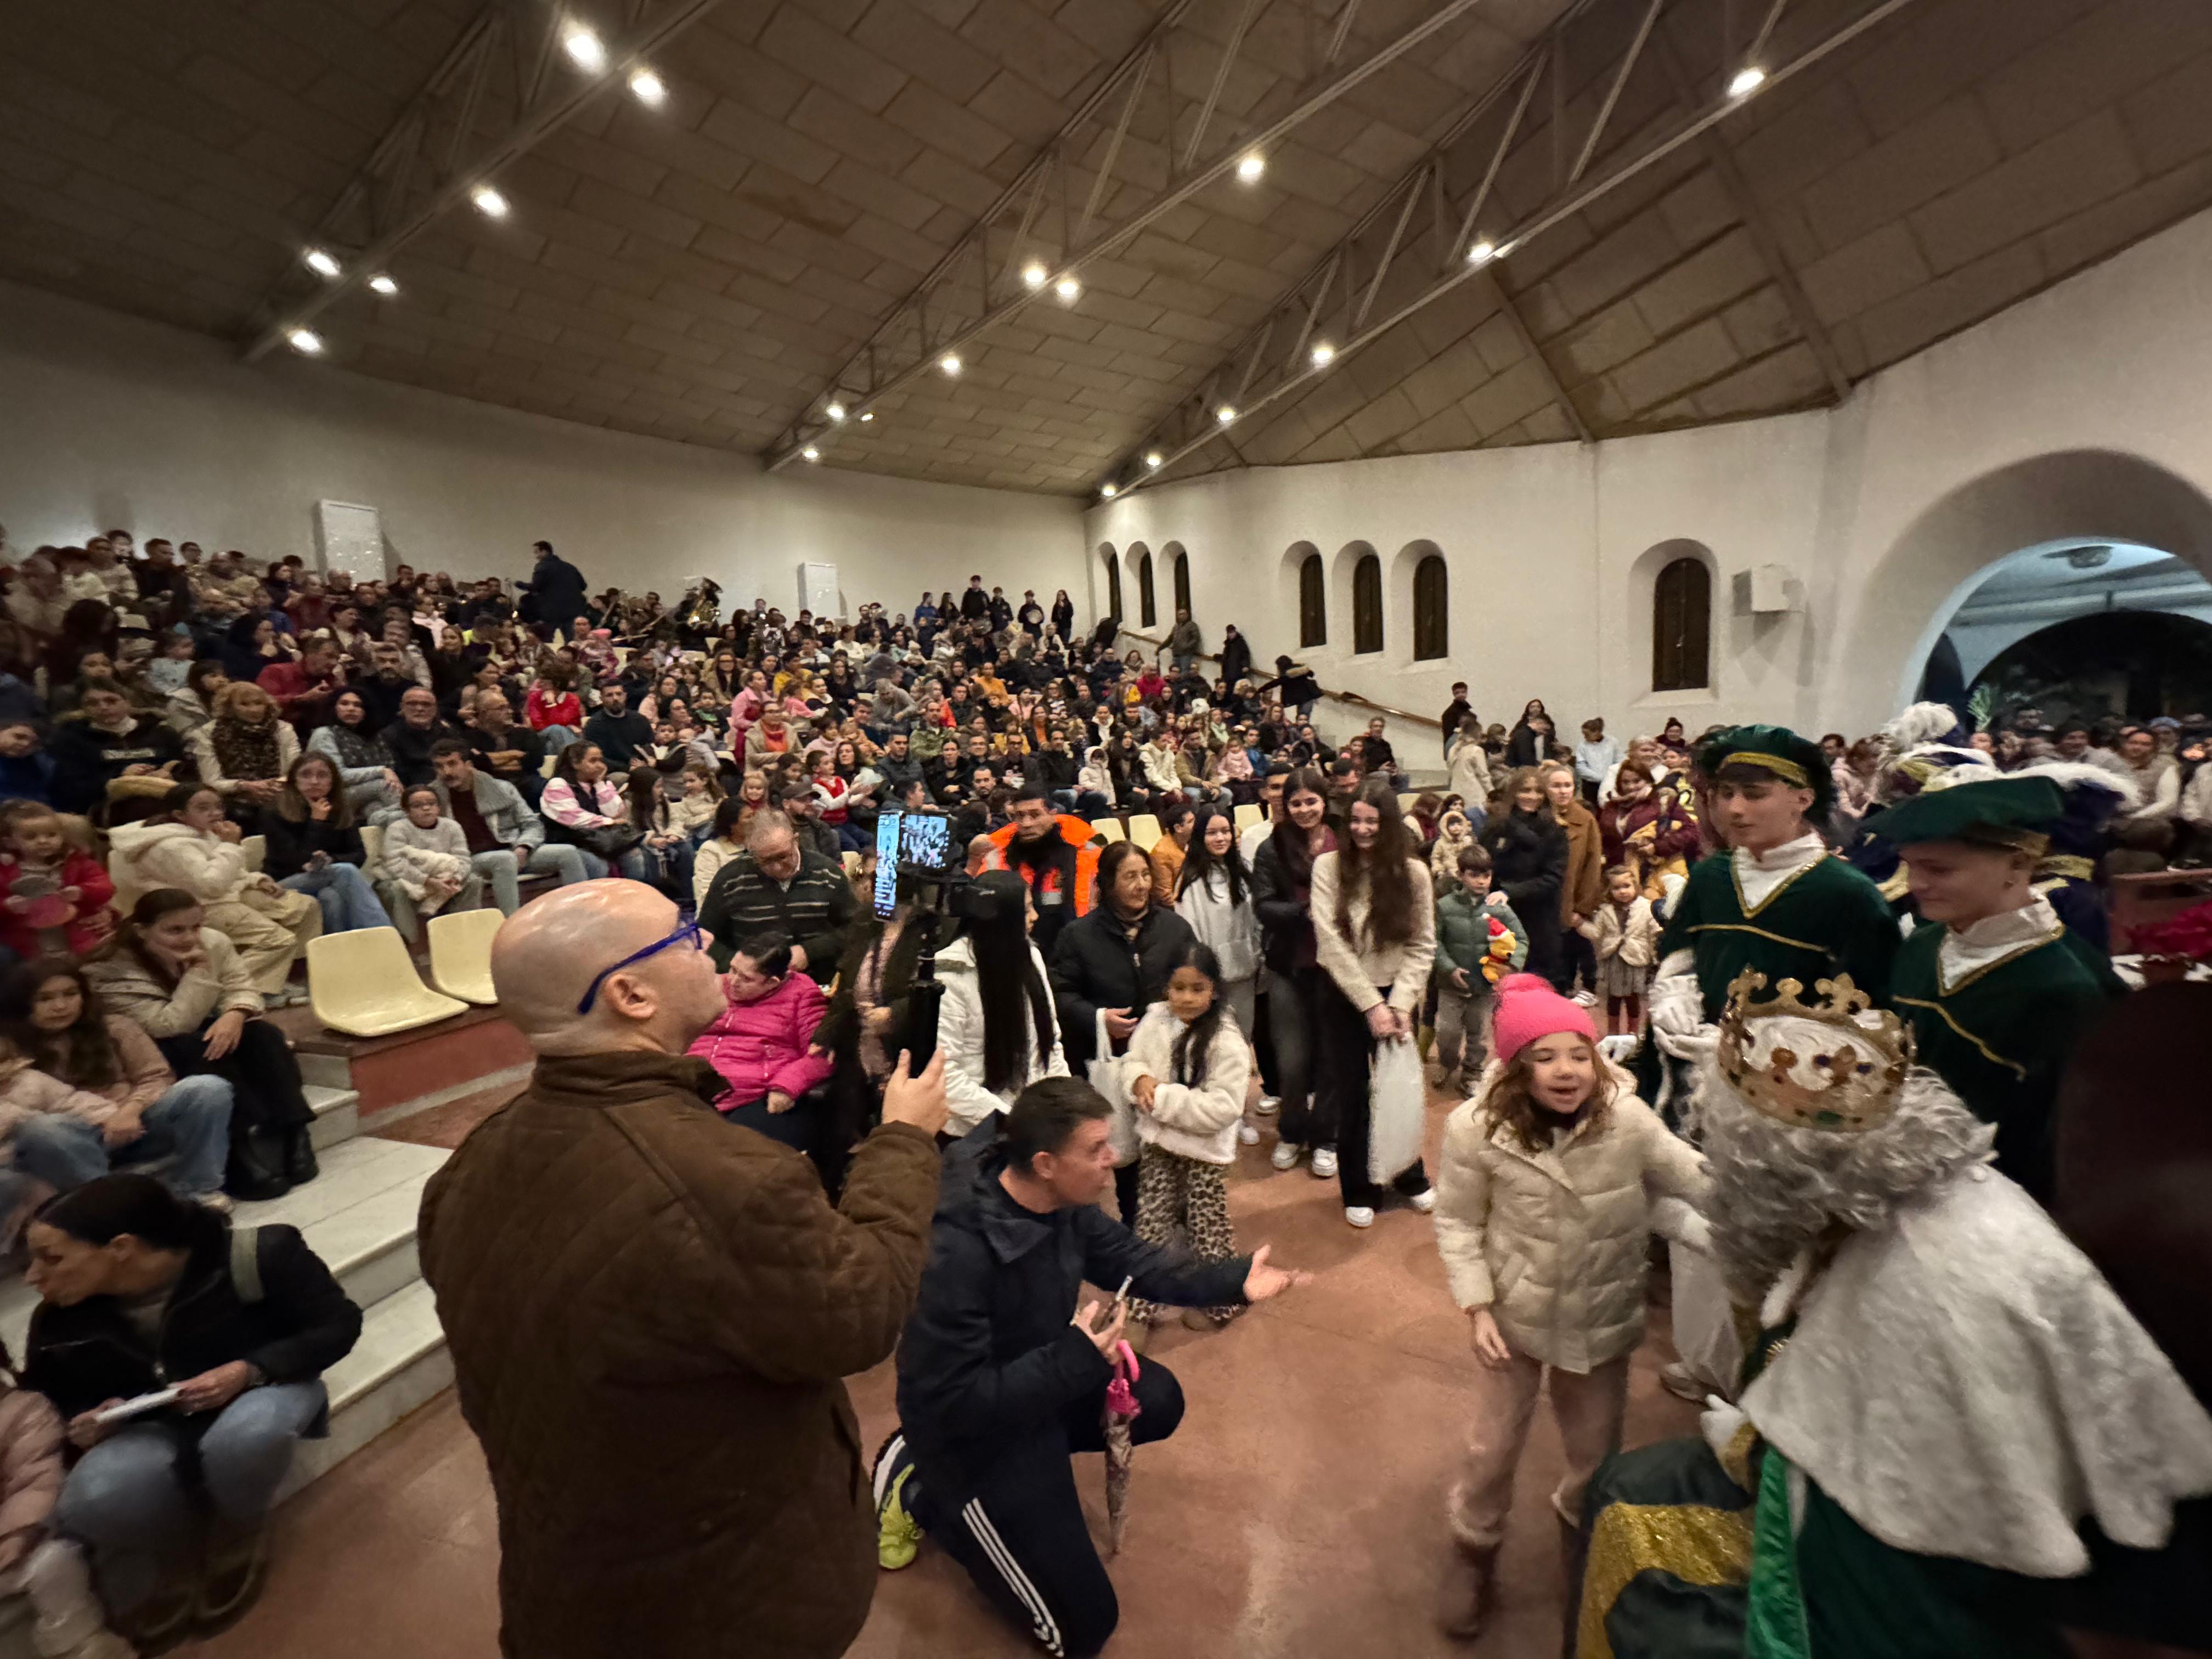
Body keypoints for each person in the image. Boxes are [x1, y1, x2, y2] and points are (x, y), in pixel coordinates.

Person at [1575, 972, 2212, 1659]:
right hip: (1863, 1501)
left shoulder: (1937, 1281)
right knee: (1623, 1489)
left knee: (1631, 1541)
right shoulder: (1881, 1205)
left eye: (1731, 1162)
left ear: (1776, 1169)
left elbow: (1885, 1497)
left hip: (1913, 1585)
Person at [419, 881, 948, 1659]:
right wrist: (903, 1142)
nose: (712, 947)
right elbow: (861, 1312)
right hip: (725, 1602)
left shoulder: (466, 1167)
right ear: (630, 994)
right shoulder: (729, 1179)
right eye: (684, 934)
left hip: (566, 1578)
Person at [870, 1077, 1307, 1659]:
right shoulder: (956, 1254)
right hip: (968, 1434)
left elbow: (1139, 1263)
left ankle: (1001, 1481)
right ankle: (924, 1485)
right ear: (1047, 1162)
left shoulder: (1064, 1204)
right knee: (1080, 1630)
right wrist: (1074, 1358)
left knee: (1158, 1399)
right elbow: (959, 1401)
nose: (1114, 1159)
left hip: (1038, 1387)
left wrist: (1231, 1282)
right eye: (1098, 1148)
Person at [1430, 975, 1709, 1637]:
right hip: (1516, 1318)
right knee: (1492, 1446)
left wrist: (1766, 1204)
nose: (1566, 1071)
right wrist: (1478, 1306)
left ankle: (1585, 1549)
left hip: (1600, 1318)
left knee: (1596, 1453)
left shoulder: (1629, 1122)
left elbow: (1693, 1177)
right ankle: (1474, 1547)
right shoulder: (1477, 1130)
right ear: (1515, 1066)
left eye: (1579, 1055)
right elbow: (1459, 1224)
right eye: (1546, 1057)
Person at [22, 1175, 362, 1646]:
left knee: (246, 1438)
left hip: (265, 1388)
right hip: (153, 1424)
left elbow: (338, 1325)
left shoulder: (258, 1254)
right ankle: (173, 1553)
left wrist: (249, 1370)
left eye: (51, 1257)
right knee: (93, 1498)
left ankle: (239, 1532)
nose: (32, 1276)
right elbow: (52, 1393)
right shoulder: (61, 1313)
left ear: (121, 1247)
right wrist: (90, 1416)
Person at [1864, 773, 2125, 1205]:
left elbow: (2061, 1152)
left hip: (1988, 1208)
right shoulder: (1926, 944)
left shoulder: (2065, 990)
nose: (1914, 885)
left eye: (1939, 869)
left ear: (2018, 865)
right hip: (1899, 1182)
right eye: (1910, 866)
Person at [86, 891, 317, 1200]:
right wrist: (199, 973)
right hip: (153, 1047)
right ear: (142, 931)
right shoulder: (108, 967)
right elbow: (165, 1025)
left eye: (195, 927)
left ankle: (294, 1132)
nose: (190, 937)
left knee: (263, 1035)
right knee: (192, 1047)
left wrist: (236, 1013)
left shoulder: (214, 942)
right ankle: (236, 1149)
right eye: (174, 930)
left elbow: (241, 987)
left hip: (206, 1025)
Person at [0, 961, 233, 1210]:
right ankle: (115, 1208)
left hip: (135, 1124)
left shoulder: (116, 1027)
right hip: (66, 1143)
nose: (60, 1006)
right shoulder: (8, 1046)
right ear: (23, 1003)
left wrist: (130, 1110)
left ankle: (198, 1189)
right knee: (43, 1127)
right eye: (45, 999)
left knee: (207, 1088)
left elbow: (156, 1077)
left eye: (71, 994)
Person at [1310, 780, 1436, 1228]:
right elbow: (1329, 942)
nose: (1363, 830)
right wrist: (1370, 1005)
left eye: (1373, 822)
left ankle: (1407, 1172)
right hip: (1345, 997)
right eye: (1357, 821)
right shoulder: (1328, 867)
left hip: (1397, 996)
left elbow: (1423, 945)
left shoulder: (1414, 873)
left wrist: (1401, 1003)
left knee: (1399, 1090)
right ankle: (1359, 1186)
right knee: (1354, 1095)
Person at [1047, 841, 1195, 1224]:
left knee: (1175, 1144)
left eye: (1146, 875)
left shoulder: (1174, 928)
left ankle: (1177, 1221)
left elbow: (1199, 981)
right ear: (1108, 883)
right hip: (1112, 1061)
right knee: (1129, 1152)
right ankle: (1139, 1227)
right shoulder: (1077, 936)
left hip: (1169, 1057)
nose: (1141, 885)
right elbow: (1060, 993)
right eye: (1130, 876)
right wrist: (1098, 1018)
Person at [1119, 941, 1249, 1335]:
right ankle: (1138, 1311)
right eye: (1179, 988)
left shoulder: (1227, 1041)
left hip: (1204, 1155)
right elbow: (1133, 1060)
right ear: (1165, 988)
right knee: (1151, 1227)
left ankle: (1222, 1301)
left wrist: (1160, 1098)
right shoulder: (1154, 1021)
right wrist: (1138, 1079)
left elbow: (1224, 1108)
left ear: (1215, 990)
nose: (1187, 998)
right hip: (1158, 1147)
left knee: (1208, 1231)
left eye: (1198, 989)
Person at [107, 785, 321, 1002]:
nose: (216, 813)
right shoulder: (169, 846)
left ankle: (286, 977)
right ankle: (231, 992)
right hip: (193, 908)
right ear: (179, 815)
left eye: (218, 806)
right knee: (279, 940)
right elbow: (212, 884)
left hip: (221, 896)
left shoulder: (202, 833)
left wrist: (256, 880)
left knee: (305, 907)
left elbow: (229, 871)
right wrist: (231, 845)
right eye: (204, 808)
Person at [938, 870, 1069, 1139]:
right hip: (972, 1133)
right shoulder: (950, 974)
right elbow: (947, 1076)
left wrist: (1064, 1105)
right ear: (1003, 920)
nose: (1035, 917)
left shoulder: (1031, 955)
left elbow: (1050, 1044)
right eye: (1026, 910)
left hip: (1031, 1121)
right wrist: (1013, 1120)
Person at [1251, 766, 1335, 1178]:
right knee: (1292, 1060)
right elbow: (1263, 906)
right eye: (1296, 803)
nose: (1303, 809)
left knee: (1331, 1058)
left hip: (1336, 969)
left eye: (1311, 801)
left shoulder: (1343, 841)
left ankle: (1326, 1138)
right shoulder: (1272, 849)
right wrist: (1306, 913)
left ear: (1324, 801)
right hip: (1288, 964)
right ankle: (1292, 1131)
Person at [685, 930, 834, 1160]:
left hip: (754, 1095)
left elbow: (822, 1053)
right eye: (733, 969)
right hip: (692, 1086)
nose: (732, 981)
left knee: (729, 1155)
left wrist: (786, 1086)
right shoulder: (716, 986)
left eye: (745, 978)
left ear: (773, 983)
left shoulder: (802, 994)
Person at [697, 808, 856, 974]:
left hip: (818, 980)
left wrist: (810, 951)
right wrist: (739, 964)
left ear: (796, 840)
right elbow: (704, 937)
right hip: (752, 985)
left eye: (783, 856)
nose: (776, 867)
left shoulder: (827, 874)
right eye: (764, 861)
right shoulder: (730, 879)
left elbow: (854, 929)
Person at [259, 754, 393, 935]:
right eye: (306, 775)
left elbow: (359, 855)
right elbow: (291, 861)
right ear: (294, 781)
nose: (314, 781)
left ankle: (340, 955)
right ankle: (383, 936)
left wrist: (330, 859)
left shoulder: (342, 809)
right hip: (284, 882)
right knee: (345, 871)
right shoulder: (274, 812)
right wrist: (317, 823)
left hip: (329, 878)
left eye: (322, 775)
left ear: (332, 782)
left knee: (330, 897)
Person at [1431, 845, 1526, 1097]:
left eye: (1487, 875)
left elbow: (1521, 940)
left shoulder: (1500, 908)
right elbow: (1434, 941)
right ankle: (1447, 1063)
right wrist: (1449, 968)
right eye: (1474, 875)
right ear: (1461, 875)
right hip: (1451, 986)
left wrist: (1511, 966)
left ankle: (1473, 1073)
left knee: (1480, 1035)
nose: (1482, 881)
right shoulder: (1445, 906)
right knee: (1447, 1033)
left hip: (1486, 987)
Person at [975, 785, 1100, 958]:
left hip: (1077, 955)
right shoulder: (996, 859)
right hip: (1014, 958)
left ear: (1053, 814)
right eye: (1020, 816)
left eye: (1035, 815)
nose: (1027, 824)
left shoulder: (1088, 855)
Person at [1478, 769, 1566, 998]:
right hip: (1501, 920)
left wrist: (1510, 892)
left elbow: (1553, 878)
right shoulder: (1496, 827)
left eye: (1538, 791)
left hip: (1540, 920)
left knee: (1539, 991)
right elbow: (1483, 865)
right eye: (1525, 790)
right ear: (1514, 793)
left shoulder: (1554, 831)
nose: (1532, 796)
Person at [48, 682, 184, 815]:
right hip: (106, 810)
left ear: (127, 702)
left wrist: (169, 773)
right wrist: (120, 775)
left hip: (165, 802)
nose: (103, 707)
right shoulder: (74, 740)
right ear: (84, 709)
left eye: (111, 701)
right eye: (93, 703)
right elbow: (69, 789)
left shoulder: (162, 733)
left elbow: (187, 773)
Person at [0, 806, 114, 962]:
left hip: (78, 937)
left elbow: (105, 887)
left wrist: (82, 891)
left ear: (63, 836)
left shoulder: (78, 862)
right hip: (28, 945)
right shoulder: (5, 871)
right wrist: (7, 906)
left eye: (52, 835)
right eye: (31, 837)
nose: (43, 841)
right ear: (11, 842)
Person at [377, 785, 482, 928]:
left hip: (447, 876)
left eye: (431, 804)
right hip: (411, 878)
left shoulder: (452, 826)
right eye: (417, 805)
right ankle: (408, 940)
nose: (426, 808)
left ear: (439, 807)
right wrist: (428, 881)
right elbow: (395, 864)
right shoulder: (397, 829)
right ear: (406, 810)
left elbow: (463, 858)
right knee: (394, 889)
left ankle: (463, 929)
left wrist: (454, 879)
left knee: (473, 880)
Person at [1543, 761, 1604, 1000]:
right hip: (1542, 901)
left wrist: (1583, 908)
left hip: (1571, 904)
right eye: (1556, 786)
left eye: (1567, 785)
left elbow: (1592, 867)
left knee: (1570, 954)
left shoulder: (1585, 819)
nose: (1563, 791)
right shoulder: (1537, 818)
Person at [1587, 863, 1660, 1037]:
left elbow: (1654, 931)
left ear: (1636, 886)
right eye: (1616, 888)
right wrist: (1580, 924)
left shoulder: (1646, 907)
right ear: (1609, 891)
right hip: (1614, 960)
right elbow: (1596, 933)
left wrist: (1657, 953)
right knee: (1613, 999)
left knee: (1634, 998)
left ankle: (1633, 1031)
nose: (1623, 892)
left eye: (1627, 886)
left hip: (1636, 958)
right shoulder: (1605, 911)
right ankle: (1613, 1031)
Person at [306, 687, 402, 817]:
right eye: (344, 704)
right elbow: (336, 775)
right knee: (385, 786)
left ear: (365, 712)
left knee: (377, 812)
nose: (351, 709)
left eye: (358, 705)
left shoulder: (373, 738)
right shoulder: (324, 734)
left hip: (362, 794)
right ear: (333, 708)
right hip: (333, 795)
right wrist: (381, 771)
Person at [583, 681, 654, 772]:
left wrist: (646, 761)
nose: (615, 698)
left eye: (619, 694)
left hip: (642, 766)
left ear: (625, 696)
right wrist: (627, 768)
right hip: (613, 772)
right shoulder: (594, 725)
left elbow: (648, 745)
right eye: (609, 695)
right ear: (602, 698)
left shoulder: (640, 720)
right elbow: (597, 758)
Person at [1147, 800, 1194, 905]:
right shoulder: (1161, 853)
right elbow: (1166, 897)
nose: (1196, 824)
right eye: (1191, 822)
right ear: (1178, 828)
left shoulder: (1192, 843)